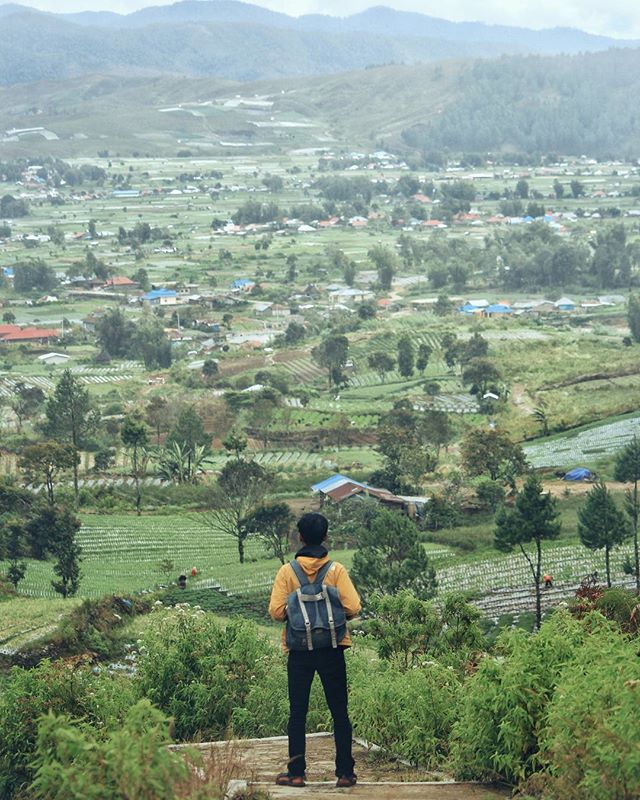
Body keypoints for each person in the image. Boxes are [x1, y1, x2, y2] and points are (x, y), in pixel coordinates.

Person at [269, 512, 361, 789]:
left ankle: (296, 772)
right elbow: (354, 607)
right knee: (339, 710)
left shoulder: (287, 572)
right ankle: (345, 773)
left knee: (298, 712)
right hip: (333, 648)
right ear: (325, 537)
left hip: (299, 651)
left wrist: (298, 612)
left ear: (300, 537)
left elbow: (275, 611)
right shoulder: (336, 571)